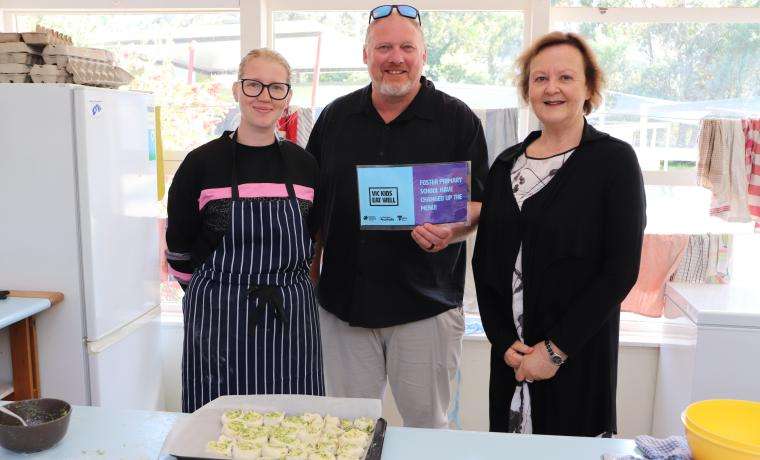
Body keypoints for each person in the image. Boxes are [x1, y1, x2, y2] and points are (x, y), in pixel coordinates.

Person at [306, 4, 489, 429]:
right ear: (366, 55)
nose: (395, 57)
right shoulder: (334, 118)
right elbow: (313, 209)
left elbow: (480, 203)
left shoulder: (457, 119)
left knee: (429, 430)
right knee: (347, 431)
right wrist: (311, 281)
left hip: (425, 309)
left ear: (423, 55)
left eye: (407, 46)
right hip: (343, 307)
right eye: (383, 47)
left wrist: (452, 229)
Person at [472, 31, 646, 436]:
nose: (552, 88)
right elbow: (486, 264)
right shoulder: (505, 165)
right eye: (540, 78)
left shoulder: (613, 162)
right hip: (512, 361)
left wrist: (555, 351)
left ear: (588, 87)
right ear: (528, 89)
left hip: (578, 355)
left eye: (566, 78)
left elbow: (620, 270)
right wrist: (502, 341)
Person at [166, 49, 323, 413]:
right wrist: (217, 293)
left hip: (290, 314)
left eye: (275, 88)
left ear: (288, 98)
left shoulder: (306, 166)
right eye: (253, 85)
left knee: (294, 423)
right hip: (219, 317)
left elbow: (313, 238)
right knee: (217, 425)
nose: (264, 96)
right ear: (237, 90)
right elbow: (178, 247)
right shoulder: (201, 163)